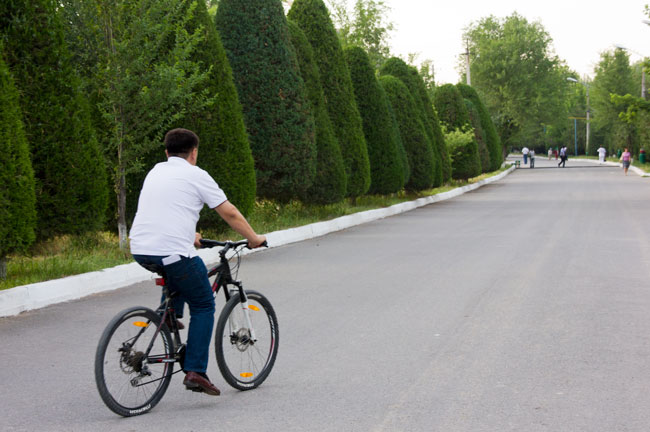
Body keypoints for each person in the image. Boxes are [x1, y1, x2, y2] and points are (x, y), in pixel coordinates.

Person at [129, 128, 266, 396]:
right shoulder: (196, 174)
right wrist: (252, 237)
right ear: (194, 153)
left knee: (186, 271)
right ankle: (195, 371)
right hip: (172, 251)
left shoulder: (155, 171)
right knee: (203, 303)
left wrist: (189, 235)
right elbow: (230, 212)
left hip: (141, 248)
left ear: (166, 152)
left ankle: (169, 315)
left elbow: (162, 208)